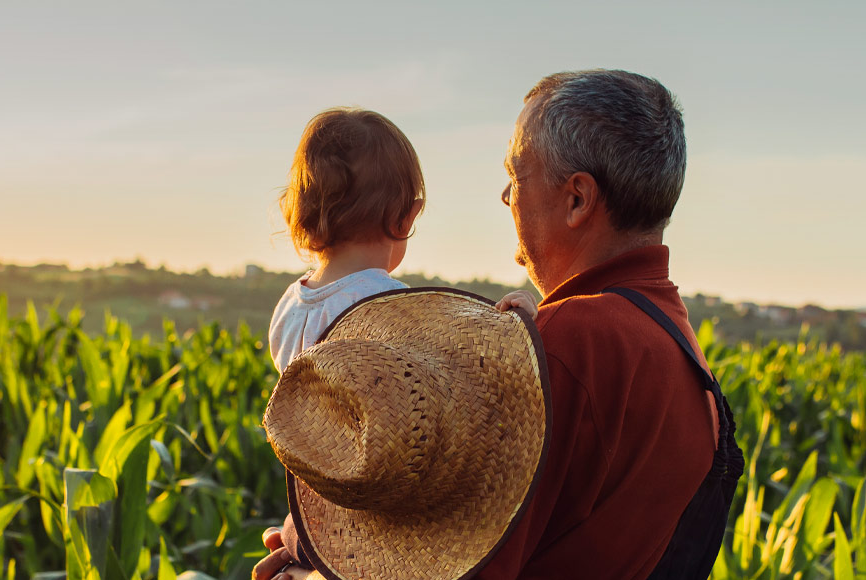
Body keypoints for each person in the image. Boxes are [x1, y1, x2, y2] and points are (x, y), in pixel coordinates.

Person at [256, 69, 740, 580]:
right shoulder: (672, 339)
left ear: (577, 199)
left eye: (518, 176)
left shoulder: (556, 349)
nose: (507, 197)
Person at [268, 106, 534, 371]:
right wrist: (512, 327)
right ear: (405, 218)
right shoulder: (390, 304)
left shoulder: (289, 306)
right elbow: (456, 371)